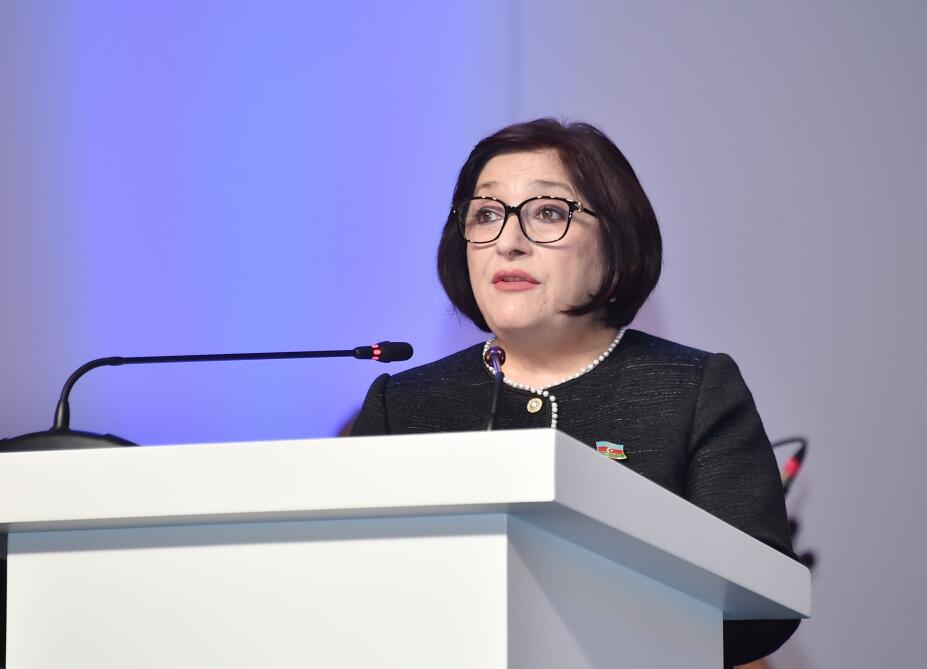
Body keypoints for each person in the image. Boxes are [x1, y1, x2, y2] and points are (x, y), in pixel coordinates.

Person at [351, 118, 800, 666]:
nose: (508, 242)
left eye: (547, 212)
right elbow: (352, 589)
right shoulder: (403, 405)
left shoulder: (692, 390)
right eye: (486, 214)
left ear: (616, 242)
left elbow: (759, 606)